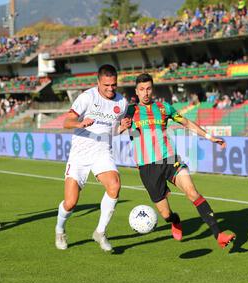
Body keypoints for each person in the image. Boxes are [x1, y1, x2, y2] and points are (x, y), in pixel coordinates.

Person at [125, 73, 235, 249]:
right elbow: (129, 135)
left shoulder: (164, 108)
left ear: (152, 89)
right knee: (165, 213)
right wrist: (125, 128)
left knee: (192, 192)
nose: (145, 93)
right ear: (136, 91)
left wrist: (209, 137)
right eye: (141, 89)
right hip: (148, 167)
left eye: (148, 89)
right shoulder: (131, 111)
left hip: (169, 159)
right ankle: (175, 220)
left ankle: (219, 234)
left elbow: (187, 123)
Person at [55, 64, 131, 251]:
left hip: (102, 151)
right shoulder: (87, 97)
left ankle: (100, 232)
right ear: (98, 82)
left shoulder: (122, 103)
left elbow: (111, 130)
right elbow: (66, 122)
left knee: (114, 185)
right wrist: (81, 122)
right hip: (79, 154)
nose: (110, 89)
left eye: (113, 85)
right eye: (106, 85)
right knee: (71, 202)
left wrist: (121, 128)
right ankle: (59, 229)